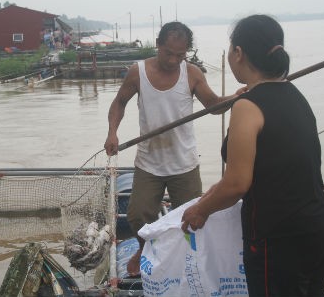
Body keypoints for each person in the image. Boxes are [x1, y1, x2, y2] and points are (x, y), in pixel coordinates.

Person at [181, 14, 324, 297]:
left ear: (238, 53)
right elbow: (273, 166)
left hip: (279, 235)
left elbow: (238, 184)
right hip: (319, 227)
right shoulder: (296, 95)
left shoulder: (247, 106)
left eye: (231, 49)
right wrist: (213, 193)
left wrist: (199, 211)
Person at [104, 21, 246, 277]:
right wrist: (112, 132)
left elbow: (213, 105)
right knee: (137, 216)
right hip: (149, 161)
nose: (173, 60)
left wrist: (237, 98)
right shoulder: (138, 72)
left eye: (180, 55)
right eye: (168, 53)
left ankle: (187, 261)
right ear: (158, 46)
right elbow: (119, 103)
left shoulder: (191, 73)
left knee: (193, 218)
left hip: (184, 162)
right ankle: (142, 249)